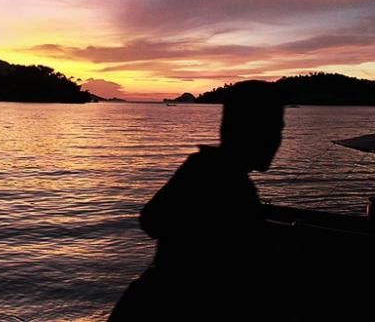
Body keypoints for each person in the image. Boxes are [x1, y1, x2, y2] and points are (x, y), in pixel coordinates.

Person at [109, 80, 288, 321]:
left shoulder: (203, 168)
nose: (277, 141)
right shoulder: (227, 184)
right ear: (247, 131)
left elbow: (151, 220)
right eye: (273, 130)